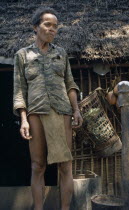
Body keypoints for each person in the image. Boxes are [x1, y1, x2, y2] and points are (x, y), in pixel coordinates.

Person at [13, 7, 83, 210]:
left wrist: (76, 110)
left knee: (65, 164)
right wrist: (24, 119)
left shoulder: (61, 54)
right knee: (38, 166)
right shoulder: (22, 55)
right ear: (35, 27)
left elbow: (70, 84)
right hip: (36, 113)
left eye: (55, 26)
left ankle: (65, 208)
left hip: (62, 112)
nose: (52, 30)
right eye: (47, 25)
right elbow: (20, 90)